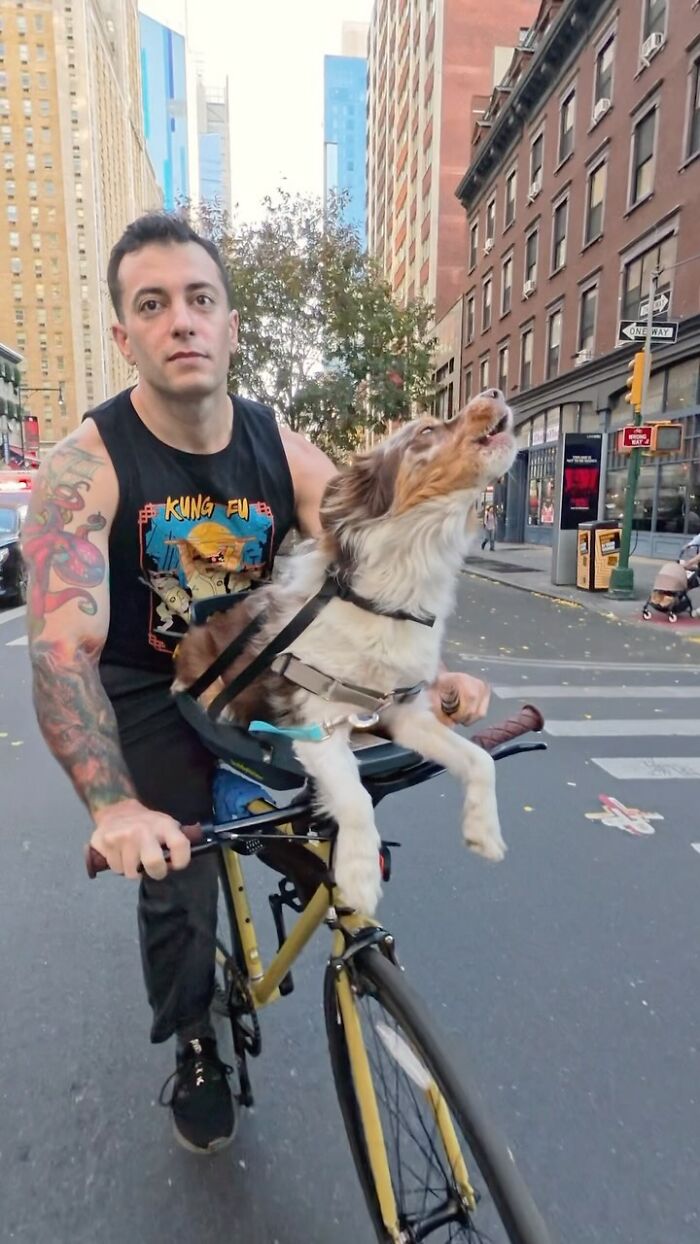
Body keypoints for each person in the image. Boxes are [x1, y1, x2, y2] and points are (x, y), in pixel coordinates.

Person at [24, 212, 493, 1155]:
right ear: (126, 336)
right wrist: (115, 808)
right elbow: (62, 651)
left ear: (231, 324)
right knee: (182, 870)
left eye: (200, 300)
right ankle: (195, 1035)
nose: (181, 322)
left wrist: (427, 677)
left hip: (252, 671)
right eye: (152, 306)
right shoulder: (88, 464)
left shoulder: (278, 445)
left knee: (328, 803)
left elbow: (365, 562)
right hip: (147, 688)